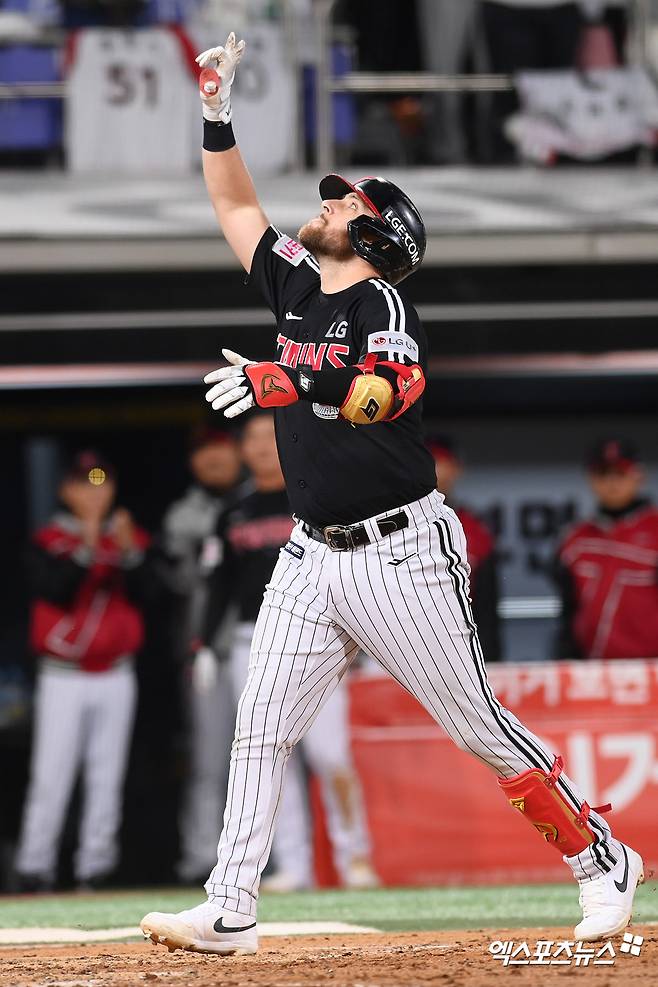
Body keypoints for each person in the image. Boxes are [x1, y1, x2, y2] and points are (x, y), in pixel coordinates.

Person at [140, 33, 643, 955]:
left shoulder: (384, 307)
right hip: (309, 548)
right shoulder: (296, 285)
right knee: (260, 728)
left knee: (479, 727)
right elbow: (234, 201)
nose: (327, 201)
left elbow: (382, 395)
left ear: (375, 234)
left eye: (346, 200)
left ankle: (602, 858)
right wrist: (215, 113)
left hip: (398, 549)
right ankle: (232, 906)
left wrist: (281, 384)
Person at [200, 411, 377, 894]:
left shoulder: (319, 499)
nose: (260, 447)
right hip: (248, 639)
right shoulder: (232, 512)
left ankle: (355, 857)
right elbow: (216, 587)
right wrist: (203, 645)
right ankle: (292, 865)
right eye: (251, 438)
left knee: (329, 752)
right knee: (267, 754)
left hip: (321, 637)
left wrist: (361, 635)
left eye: (268, 435)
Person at [16, 450, 155, 892]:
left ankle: (95, 868)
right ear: (65, 490)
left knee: (106, 774)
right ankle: (34, 867)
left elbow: (154, 596)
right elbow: (53, 589)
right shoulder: (49, 539)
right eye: (83, 482)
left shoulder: (129, 539)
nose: (93, 491)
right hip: (63, 674)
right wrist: (91, 542)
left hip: (116, 673)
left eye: (101, 481)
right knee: (51, 775)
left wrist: (129, 551)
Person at [162, 426, 241, 883]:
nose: (213, 458)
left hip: (263, 644)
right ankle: (200, 859)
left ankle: (271, 861)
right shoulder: (184, 516)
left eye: (220, 448)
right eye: (203, 451)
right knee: (210, 761)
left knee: (268, 755)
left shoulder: (264, 500)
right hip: (207, 653)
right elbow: (181, 584)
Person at [555, 438, 658, 660]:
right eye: (603, 474)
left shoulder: (655, 529)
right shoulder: (575, 539)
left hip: (652, 666)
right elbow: (568, 612)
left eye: (620, 473)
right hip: (591, 668)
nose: (612, 483)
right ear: (591, 479)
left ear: (638, 475)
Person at [428, 436, 501, 661]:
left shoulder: (474, 530)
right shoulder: (393, 526)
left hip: (462, 646)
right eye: (428, 461)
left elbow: (487, 607)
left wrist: (489, 657)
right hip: (404, 641)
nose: (434, 470)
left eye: (441, 462)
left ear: (456, 468)